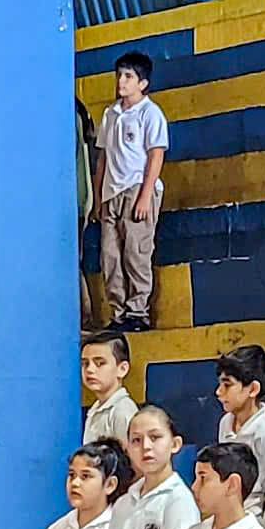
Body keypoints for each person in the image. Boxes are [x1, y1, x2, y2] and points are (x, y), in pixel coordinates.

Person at [95, 53, 171, 333]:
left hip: (137, 188)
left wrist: (144, 195)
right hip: (111, 193)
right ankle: (118, 310)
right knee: (110, 255)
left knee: (135, 253)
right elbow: (103, 156)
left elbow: (156, 155)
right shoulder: (110, 114)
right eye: (120, 75)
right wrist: (99, 195)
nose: (121, 81)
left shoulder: (150, 113)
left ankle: (138, 311)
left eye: (128, 76)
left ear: (143, 83)